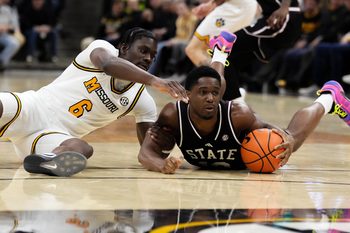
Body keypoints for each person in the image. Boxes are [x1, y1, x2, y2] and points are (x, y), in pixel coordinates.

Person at [138, 31, 350, 174]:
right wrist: (161, 163)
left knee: (286, 142)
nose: (211, 98)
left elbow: (271, 129)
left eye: (215, 93)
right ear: (187, 95)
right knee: (209, 82)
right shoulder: (173, 114)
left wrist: (288, 140)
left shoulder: (238, 114)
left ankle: (328, 99)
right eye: (202, 93)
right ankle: (220, 52)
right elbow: (145, 153)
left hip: (246, 146)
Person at [0, 27, 188, 177]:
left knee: (82, 149)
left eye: (153, 56)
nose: (148, 58)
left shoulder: (142, 100)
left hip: (52, 137)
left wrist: (162, 163)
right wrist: (154, 80)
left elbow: (148, 151)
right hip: (33, 108)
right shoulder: (101, 48)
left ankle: (48, 160)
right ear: (123, 48)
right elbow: (107, 65)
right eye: (143, 51)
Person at [184, 0, 259, 67]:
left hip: (235, 7)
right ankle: (217, 78)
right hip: (247, 7)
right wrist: (210, 4)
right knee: (209, 51)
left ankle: (213, 80)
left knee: (193, 49)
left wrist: (210, 5)